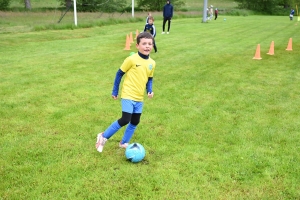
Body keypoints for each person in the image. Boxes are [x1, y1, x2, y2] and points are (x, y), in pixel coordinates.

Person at [95, 32, 156, 153]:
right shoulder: (131, 59)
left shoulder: (152, 63)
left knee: (135, 121)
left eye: (150, 44)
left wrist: (149, 90)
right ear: (137, 46)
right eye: (144, 43)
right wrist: (115, 90)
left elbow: (149, 78)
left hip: (139, 97)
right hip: (128, 94)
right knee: (125, 119)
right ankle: (103, 137)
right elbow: (119, 73)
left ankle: (124, 142)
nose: (147, 46)